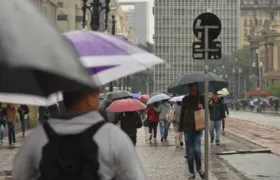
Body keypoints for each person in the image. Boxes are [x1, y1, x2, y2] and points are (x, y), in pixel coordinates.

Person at [12, 86, 148, 180]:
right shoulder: (113, 137)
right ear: (89, 99)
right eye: (96, 95)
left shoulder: (38, 137)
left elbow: (20, 174)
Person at [178, 83, 205, 179]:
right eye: (189, 87)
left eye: (193, 86)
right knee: (190, 152)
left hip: (198, 128)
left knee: (197, 150)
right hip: (187, 128)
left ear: (197, 87)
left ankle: (199, 167)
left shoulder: (201, 98)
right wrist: (180, 130)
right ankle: (191, 172)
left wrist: (202, 108)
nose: (191, 88)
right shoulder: (185, 99)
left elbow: (207, 112)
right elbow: (181, 115)